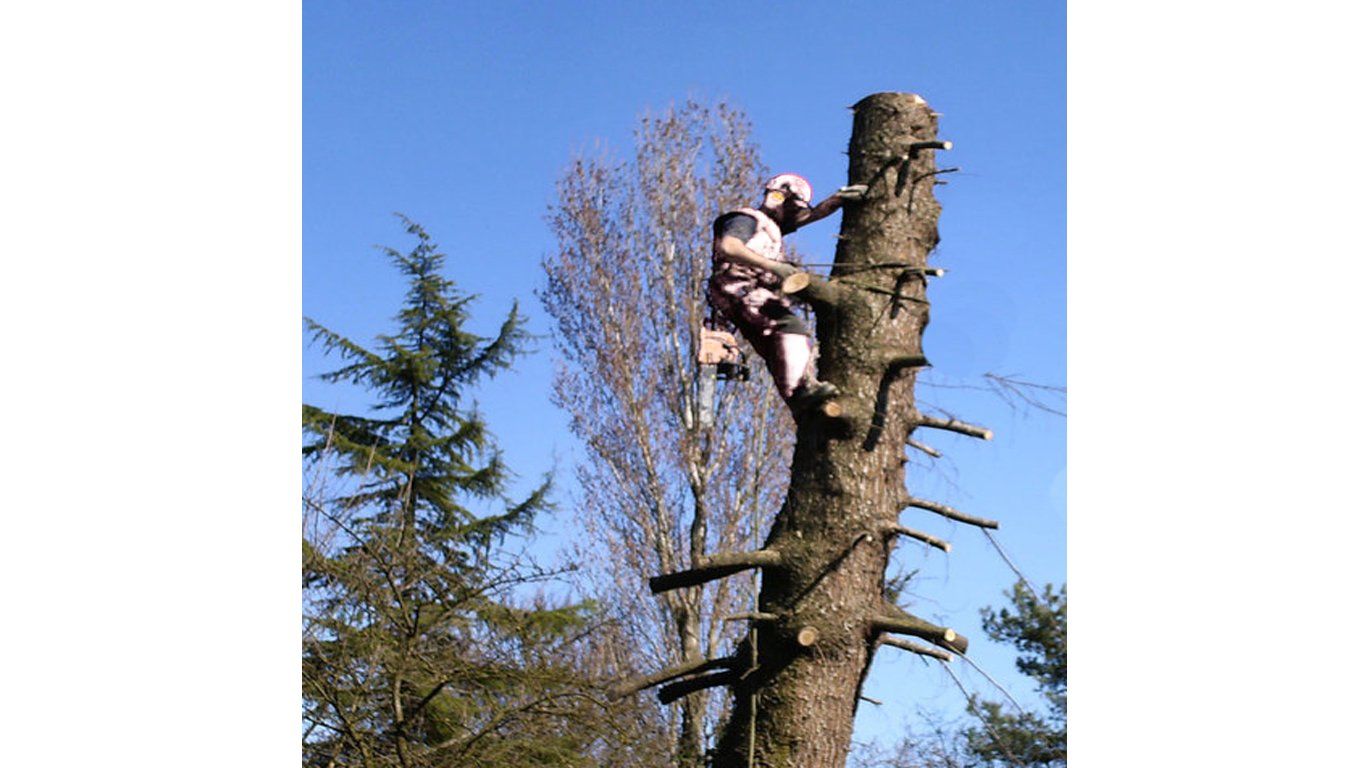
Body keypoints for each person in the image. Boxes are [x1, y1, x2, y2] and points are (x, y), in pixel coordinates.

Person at [707, 173, 865, 414]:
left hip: (743, 291)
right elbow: (729, 246)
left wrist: (836, 200)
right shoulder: (747, 218)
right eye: (792, 209)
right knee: (788, 327)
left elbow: (809, 216)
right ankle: (801, 390)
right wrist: (772, 266)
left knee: (777, 349)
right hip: (739, 287)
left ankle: (802, 405)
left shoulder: (772, 227)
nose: (795, 217)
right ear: (779, 199)